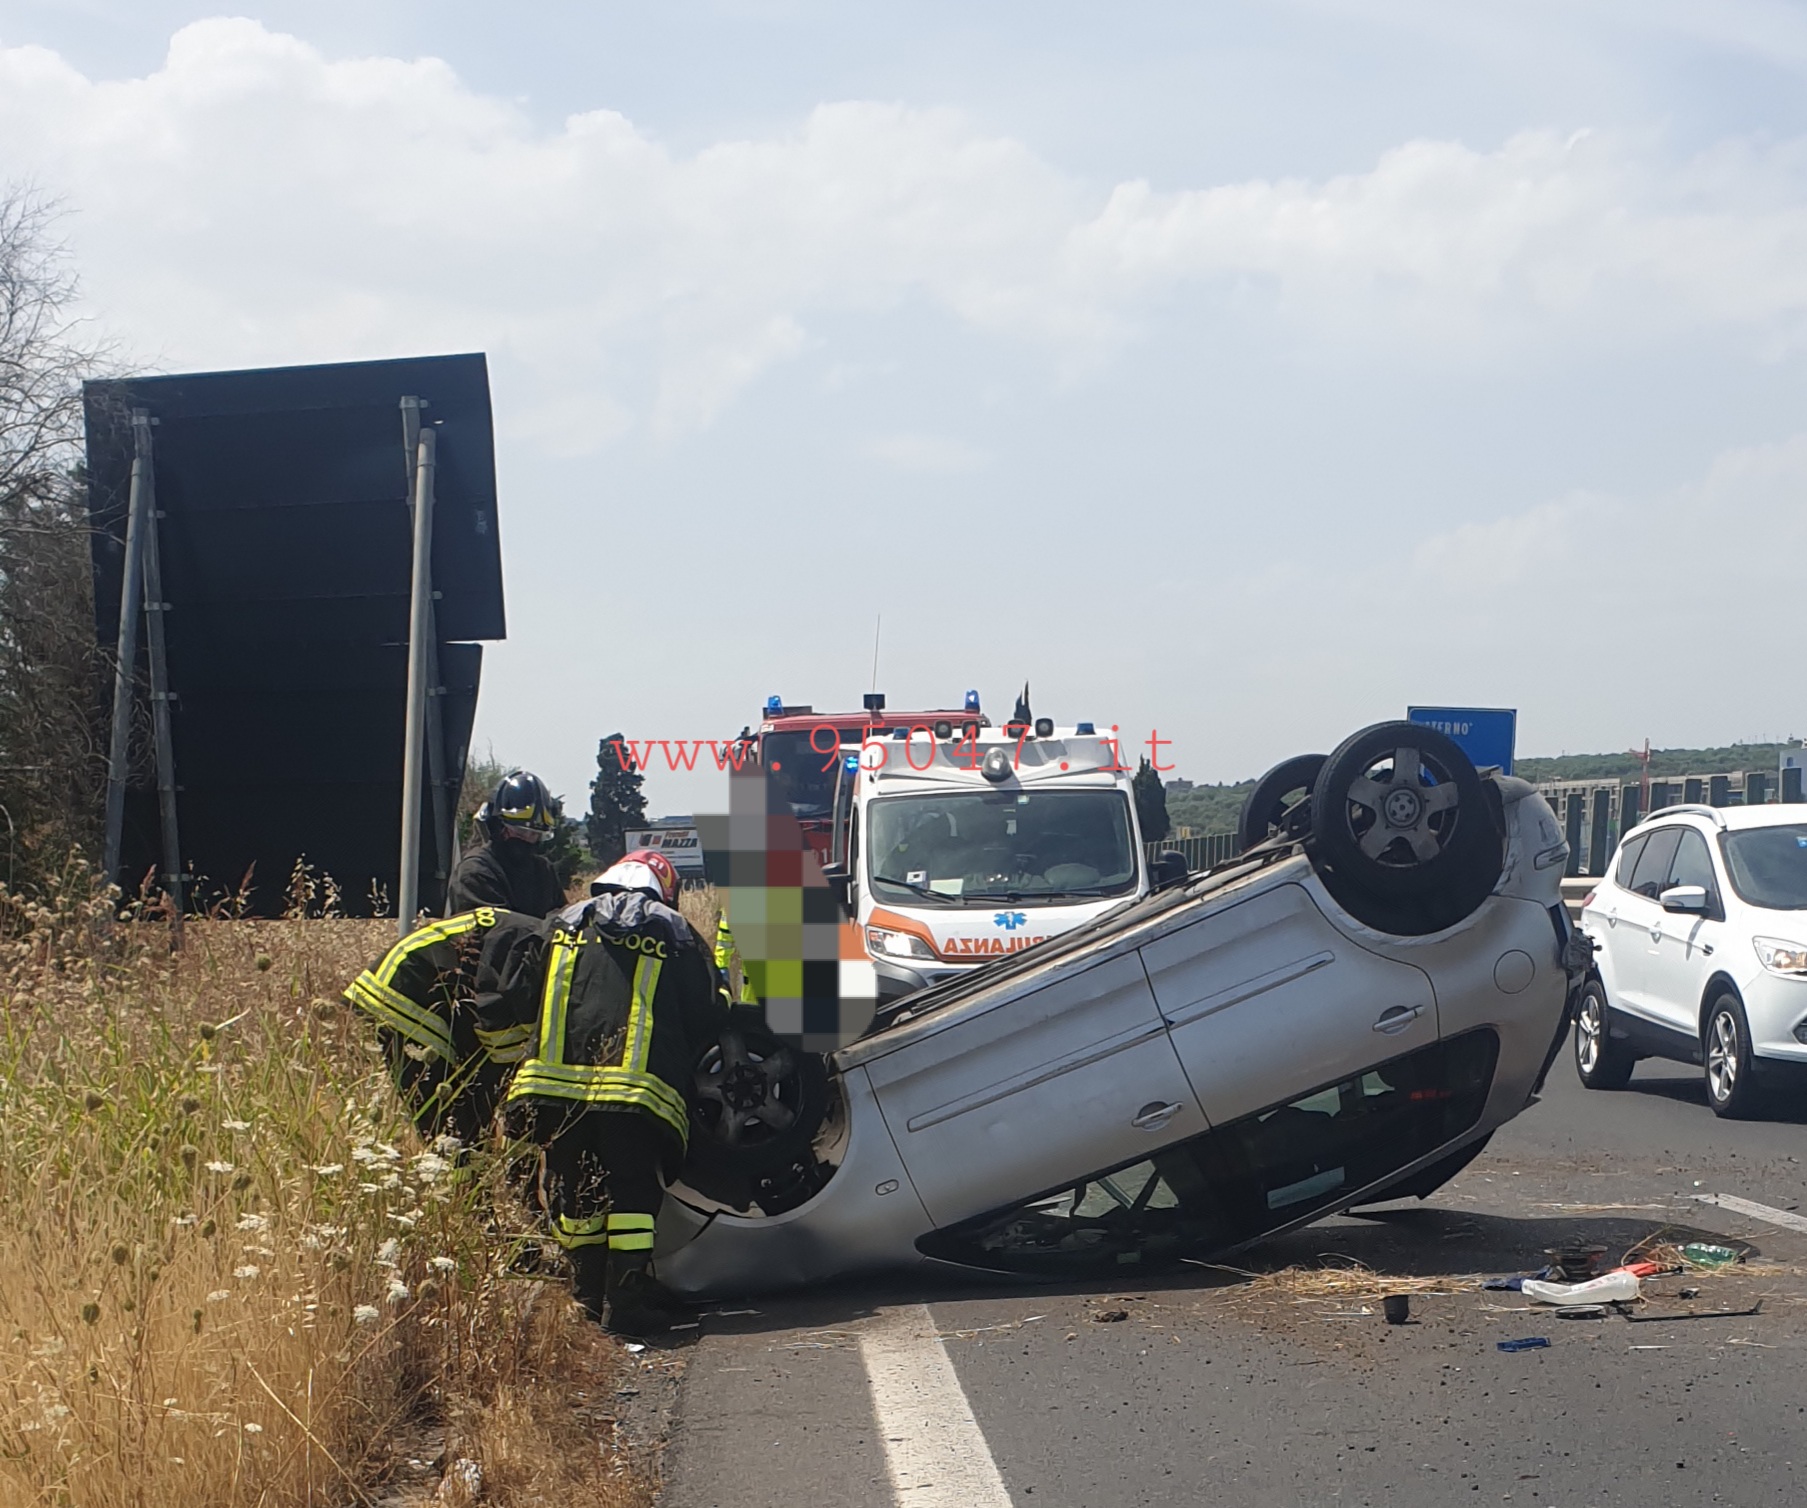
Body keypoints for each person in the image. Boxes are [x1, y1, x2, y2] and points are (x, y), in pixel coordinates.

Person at [506, 848, 730, 1336]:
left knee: (574, 1189)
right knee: (632, 1193)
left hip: (552, 1089)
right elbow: (707, 1012)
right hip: (635, 1093)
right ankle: (626, 1303)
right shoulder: (673, 930)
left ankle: (585, 1299)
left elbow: (520, 992)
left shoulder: (560, 923)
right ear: (664, 889)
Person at [343, 906, 550, 1147]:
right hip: (406, 987)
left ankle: (470, 1161)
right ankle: (456, 1163)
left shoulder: (546, 940)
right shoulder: (539, 951)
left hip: (445, 987)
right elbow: (496, 1029)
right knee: (448, 1117)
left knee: (472, 1102)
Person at [446, 770, 566, 917]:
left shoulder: (544, 871)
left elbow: (562, 917)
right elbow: (493, 926)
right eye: (520, 831)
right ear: (497, 826)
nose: (527, 838)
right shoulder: (475, 872)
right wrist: (546, 928)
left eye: (534, 834)